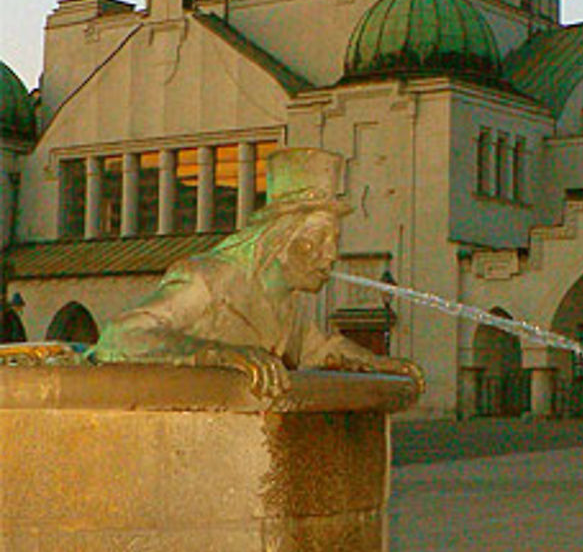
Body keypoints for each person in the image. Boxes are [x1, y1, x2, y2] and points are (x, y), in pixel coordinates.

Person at [90, 147, 423, 398]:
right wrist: (215, 354)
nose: (331, 255)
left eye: (334, 241)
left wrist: (375, 363)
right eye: (316, 241)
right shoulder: (208, 279)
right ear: (279, 240)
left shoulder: (284, 303)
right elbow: (120, 337)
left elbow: (319, 350)